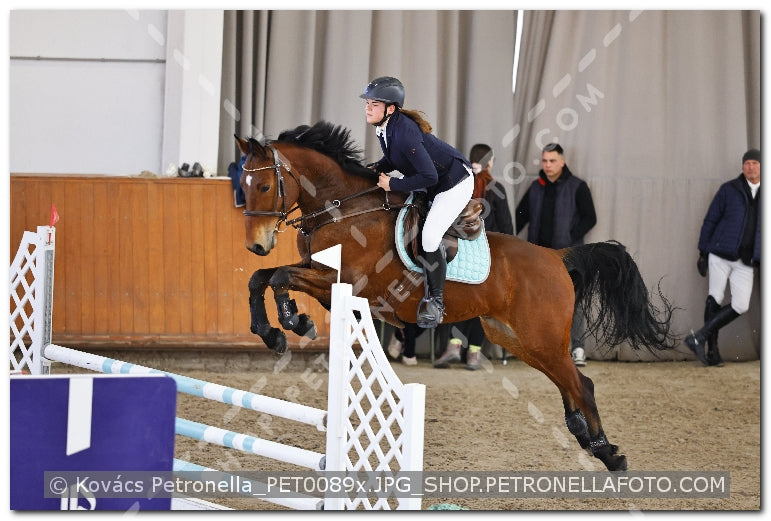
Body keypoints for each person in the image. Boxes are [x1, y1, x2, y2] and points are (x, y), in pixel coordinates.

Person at [361, 76, 474, 328]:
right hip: (434, 181)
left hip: (454, 183)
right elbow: (394, 158)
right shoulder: (387, 127)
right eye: (367, 103)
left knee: (430, 237)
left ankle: (436, 302)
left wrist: (393, 184)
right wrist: (376, 167)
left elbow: (428, 175)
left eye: (374, 104)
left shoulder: (404, 132)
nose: (368, 108)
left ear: (390, 109)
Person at [433, 143, 514, 370]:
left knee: (460, 299)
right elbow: (507, 227)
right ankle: (474, 354)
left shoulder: (458, 186)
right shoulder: (496, 188)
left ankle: (453, 345)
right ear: (490, 163)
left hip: (457, 251)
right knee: (482, 304)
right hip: (487, 254)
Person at [515, 143, 596, 366]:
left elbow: (590, 218)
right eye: (544, 161)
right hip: (539, 258)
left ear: (562, 161)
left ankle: (578, 349)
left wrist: (570, 237)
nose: (548, 165)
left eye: (552, 161)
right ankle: (543, 350)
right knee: (538, 303)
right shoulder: (536, 187)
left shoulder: (577, 186)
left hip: (569, 256)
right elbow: (519, 217)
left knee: (574, 302)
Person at [685, 149, 760, 367]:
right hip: (720, 254)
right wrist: (702, 252)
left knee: (741, 304)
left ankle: (697, 337)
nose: (750, 167)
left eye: (755, 163)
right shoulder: (729, 189)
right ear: (742, 166)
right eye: (747, 163)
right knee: (714, 298)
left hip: (746, 260)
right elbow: (711, 220)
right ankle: (712, 352)